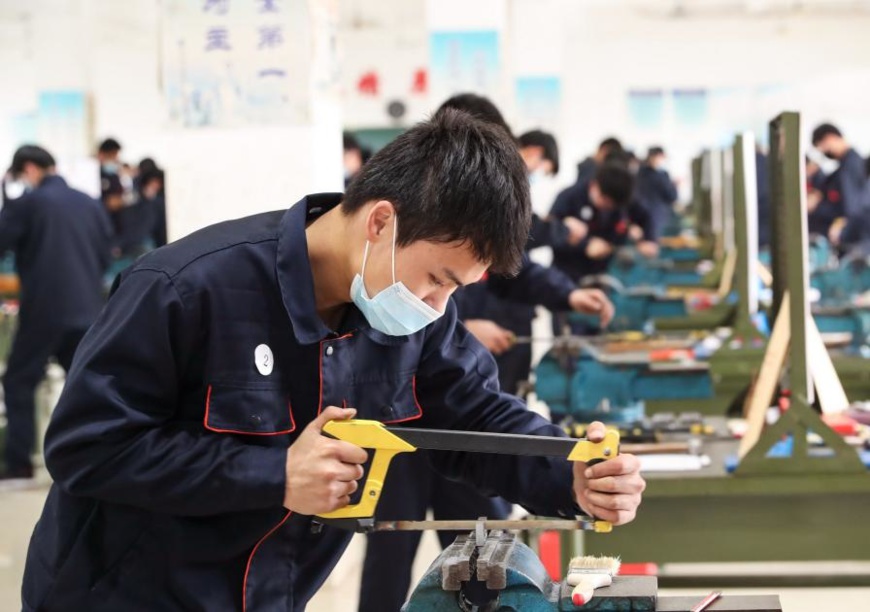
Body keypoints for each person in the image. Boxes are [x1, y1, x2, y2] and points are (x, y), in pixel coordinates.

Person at [23, 110, 644, 612]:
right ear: (380, 222)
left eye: (457, 290)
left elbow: (474, 417)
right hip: (125, 595)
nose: (437, 306)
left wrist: (569, 474)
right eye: (436, 279)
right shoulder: (185, 289)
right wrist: (275, 475)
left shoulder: (415, 315)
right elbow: (87, 447)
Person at [358, 97, 615, 612]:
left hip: (454, 416)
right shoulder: (399, 246)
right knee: (388, 556)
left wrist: (570, 472)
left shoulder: (456, 284)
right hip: (391, 432)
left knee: (488, 557)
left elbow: (515, 275)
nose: (438, 302)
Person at [0, 145, 112, 482]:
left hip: (44, 312)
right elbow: (106, 256)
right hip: (90, 311)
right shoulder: (89, 203)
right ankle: (99, 459)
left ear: (30, 168)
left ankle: (19, 462)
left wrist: (8, 196)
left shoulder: (30, 203)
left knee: (18, 381)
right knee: (89, 386)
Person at [549, 163, 636, 334]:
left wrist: (610, 246)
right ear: (595, 185)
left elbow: (621, 233)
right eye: (604, 201)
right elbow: (551, 236)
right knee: (566, 336)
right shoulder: (569, 197)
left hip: (600, 280)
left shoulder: (617, 207)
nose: (607, 207)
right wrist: (584, 246)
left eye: (612, 205)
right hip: (567, 278)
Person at [811, 123, 870, 251]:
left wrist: (840, 223)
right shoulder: (843, 167)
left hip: (852, 239)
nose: (823, 151)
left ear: (831, 138)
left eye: (823, 146)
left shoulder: (851, 165)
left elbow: (852, 207)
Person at [635, 146, 678, 241]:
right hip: (657, 219)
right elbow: (671, 196)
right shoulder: (661, 176)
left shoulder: (639, 173)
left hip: (641, 219)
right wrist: (675, 186)